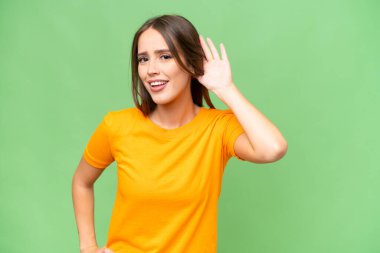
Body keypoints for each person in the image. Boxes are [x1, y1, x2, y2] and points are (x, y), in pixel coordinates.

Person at [72, 14, 288, 253]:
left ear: (192, 63)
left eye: (165, 57)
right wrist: (88, 247)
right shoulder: (117, 125)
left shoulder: (217, 128)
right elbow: (82, 181)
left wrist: (226, 89)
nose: (150, 70)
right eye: (143, 59)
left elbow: (273, 148)